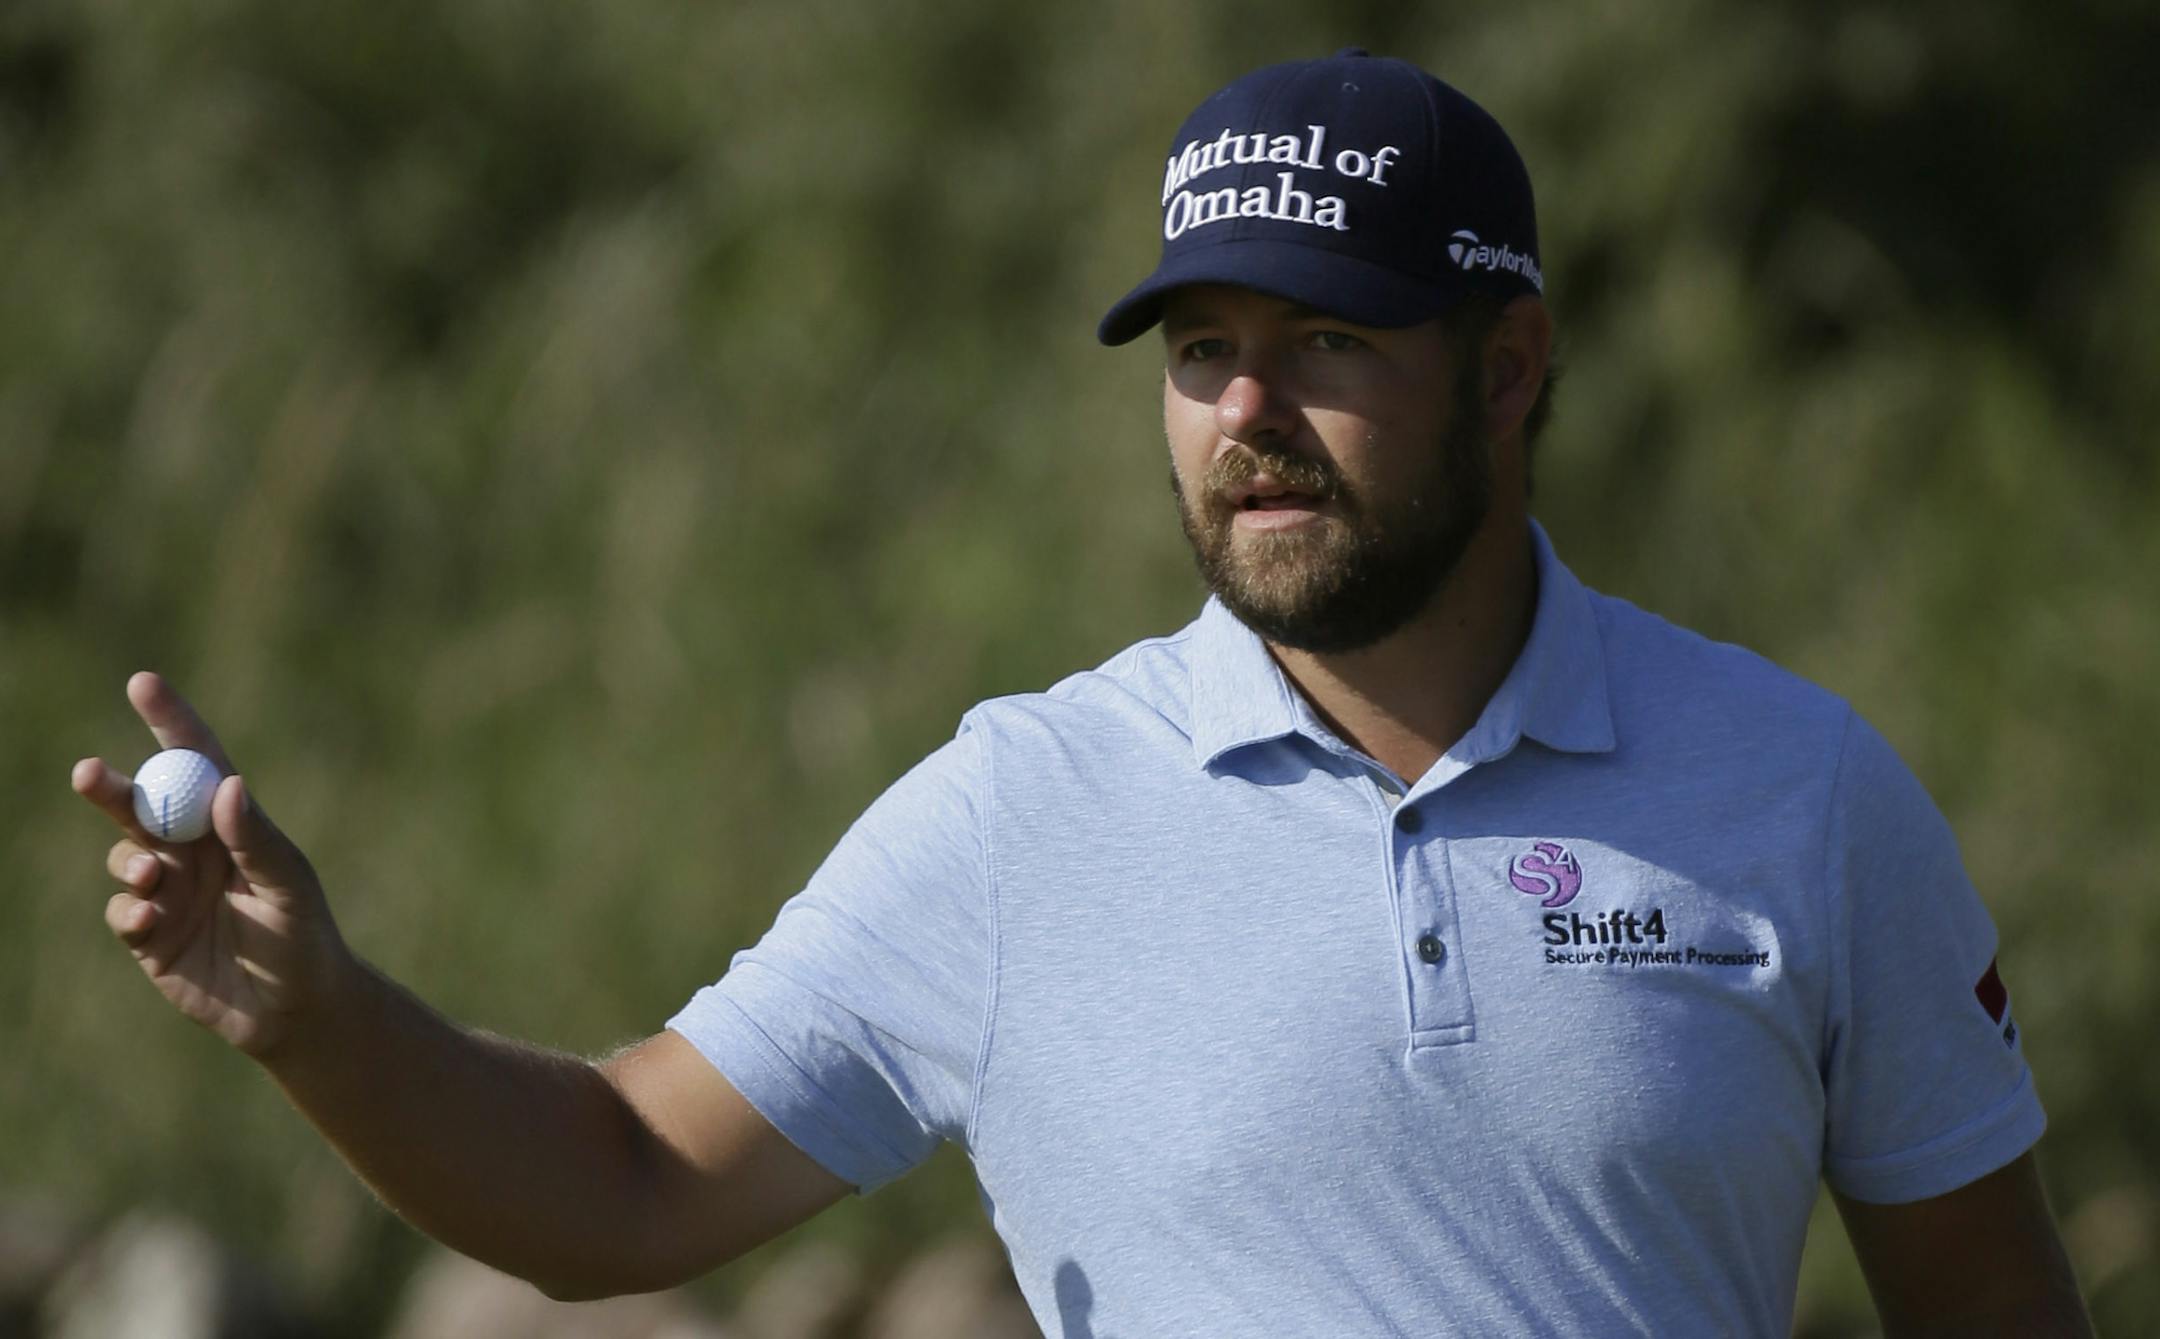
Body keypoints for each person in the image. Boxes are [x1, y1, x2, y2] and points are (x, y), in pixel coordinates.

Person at [76, 50, 2091, 1337]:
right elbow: (612, 1187)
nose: (1247, 414)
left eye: (1326, 342)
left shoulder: (1801, 791)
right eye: (1200, 349)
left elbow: (1994, 1308)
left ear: (1510, 368)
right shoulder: (1022, 809)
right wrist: (323, 1024)